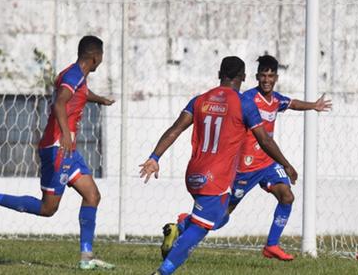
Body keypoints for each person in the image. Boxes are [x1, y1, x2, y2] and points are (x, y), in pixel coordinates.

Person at [0, 35, 116, 270]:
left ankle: (87, 258)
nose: (102, 60)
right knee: (48, 209)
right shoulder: (74, 76)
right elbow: (59, 103)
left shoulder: (73, 74)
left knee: (92, 195)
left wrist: (99, 100)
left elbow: (79, 93)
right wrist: (65, 132)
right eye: (101, 56)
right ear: (96, 57)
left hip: (68, 150)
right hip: (58, 148)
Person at [139, 56, 297, 275]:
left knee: (220, 217)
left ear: (219, 74)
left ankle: (179, 228)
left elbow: (175, 129)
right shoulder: (244, 103)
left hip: (194, 173)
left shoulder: (199, 100)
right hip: (216, 176)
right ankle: (163, 271)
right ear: (243, 77)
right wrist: (286, 164)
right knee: (202, 227)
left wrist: (154, 158)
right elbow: (265, 140)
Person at [172, 54, 331, 261]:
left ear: (276, 78)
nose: (267, 80)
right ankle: (183, 225)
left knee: (287, 196)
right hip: (244, 167)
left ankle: (271, 245)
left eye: (271, 75)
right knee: (220, 218)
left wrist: (313, 105)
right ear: (255, 77)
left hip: (267, 164)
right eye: (263, 75)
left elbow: (292, 103)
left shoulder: (275, 100)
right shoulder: (246, 100)